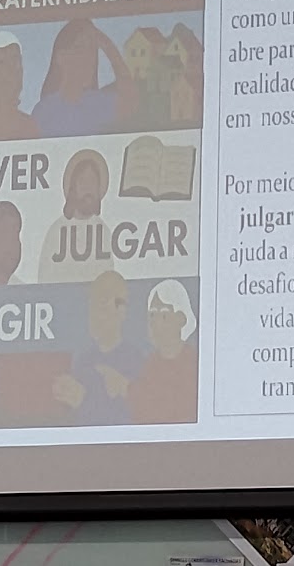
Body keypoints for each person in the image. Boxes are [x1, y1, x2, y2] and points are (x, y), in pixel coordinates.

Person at [51, 270, 144, 425]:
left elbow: (131, 419)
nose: (94, 313)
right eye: (91, 304)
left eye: (102, 303)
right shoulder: (83, 361)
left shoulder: (135, 361)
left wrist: (83, 402)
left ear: (121, 311)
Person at [29, 19, 137, 138]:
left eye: (92, 49)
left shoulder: (98, 104)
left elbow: (130, 102)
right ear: (61, 56)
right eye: (79, 47)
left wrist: (109, 47)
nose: (88, 56)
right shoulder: (43, 111)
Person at [128, 279, 199, 424]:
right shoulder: (149, 365)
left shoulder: (194, 363)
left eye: (164, 315)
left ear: (181, 319)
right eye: (152, 315)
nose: (155, 323)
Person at [36, 149, 111, 283]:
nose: (88, 188)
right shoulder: (56, 231)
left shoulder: (103, 231)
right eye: (83, 181)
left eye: (92, 181)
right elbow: (44, 280)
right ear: (73, 188)